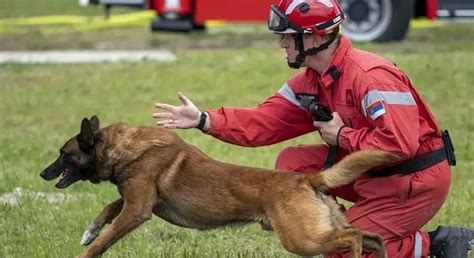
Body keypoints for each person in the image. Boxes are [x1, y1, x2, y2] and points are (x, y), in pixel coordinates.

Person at [152, 0, 473, 257]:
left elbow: (400, 144)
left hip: (412, 180)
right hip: (371, 173)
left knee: (344, 249)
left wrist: (342, 136)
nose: (282, 44)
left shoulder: (369, 76)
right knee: (292, 167)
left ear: (315, 38)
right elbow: (265, 121)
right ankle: (353, 223)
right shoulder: (312, 79)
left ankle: (432, 245)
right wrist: (204, 119)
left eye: (289, 36)